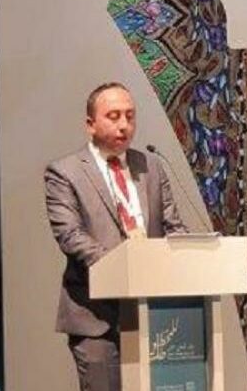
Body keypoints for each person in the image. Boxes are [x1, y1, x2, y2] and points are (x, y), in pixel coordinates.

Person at [44, 82, 187, 391]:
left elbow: (173, 226)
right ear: (90, 124)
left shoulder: (151, 166)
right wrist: (124, 268)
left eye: (130, 116)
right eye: (113, 116)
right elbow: (70, 235)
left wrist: (187, 253)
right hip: (96, 317)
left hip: (154, 314)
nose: (124, 125)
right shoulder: (65, 172)